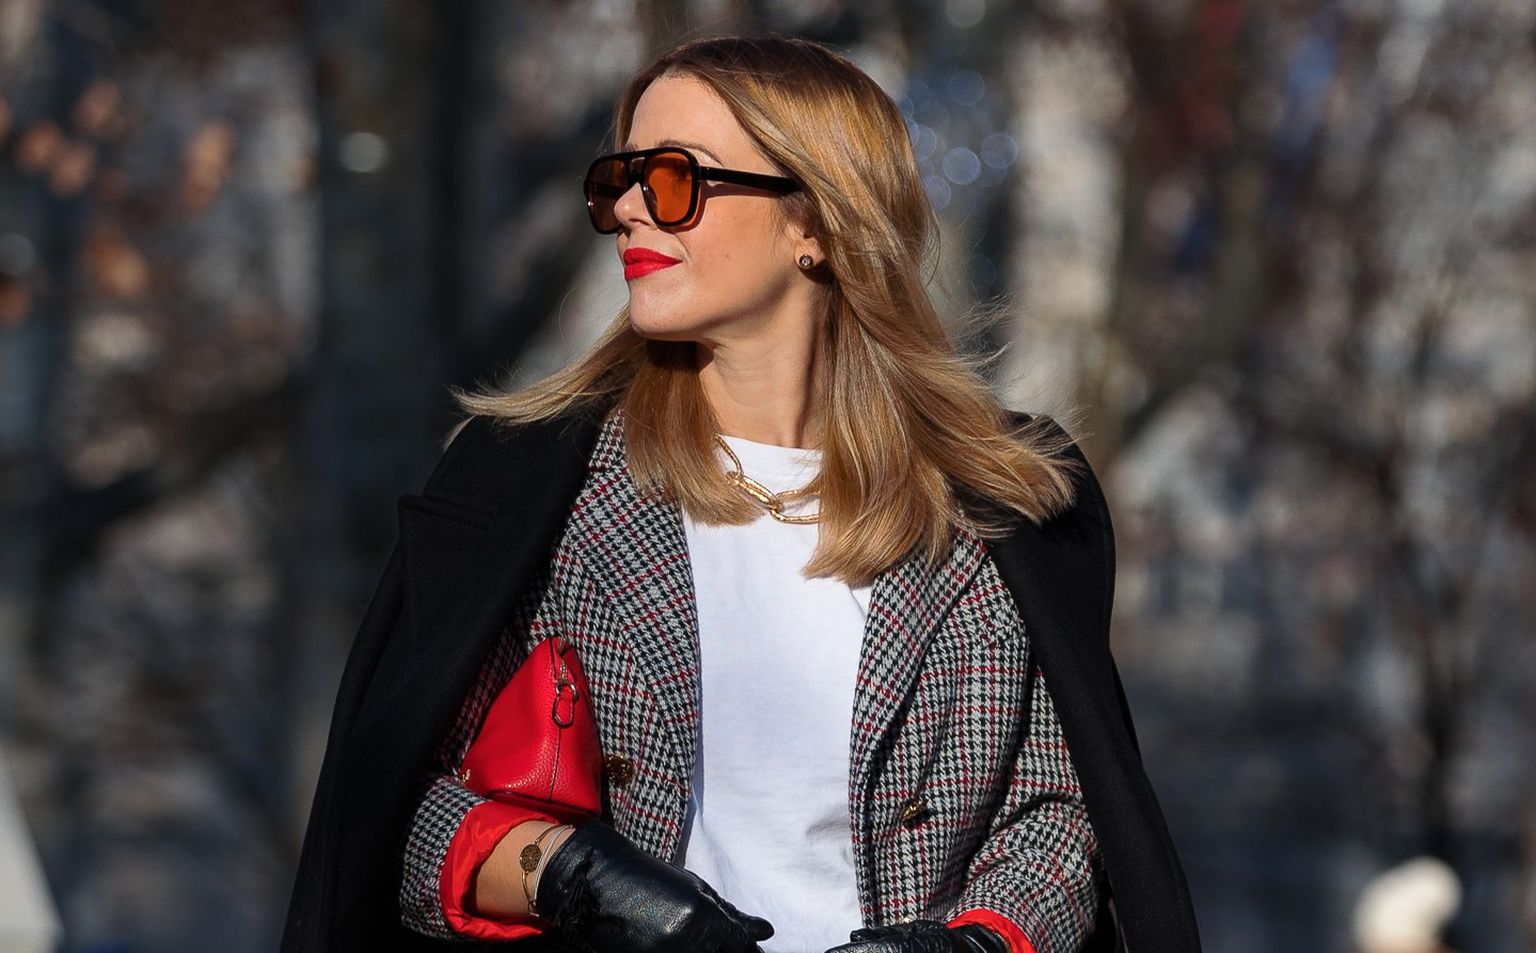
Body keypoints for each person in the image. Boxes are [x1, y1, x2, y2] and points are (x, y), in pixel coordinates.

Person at [280, 33, 1201, 953]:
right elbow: (398, 813)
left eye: (673, 179)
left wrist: (973, 943)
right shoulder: (533, 484)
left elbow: (1059, 820)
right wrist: (571, 875)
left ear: (815, 224)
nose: (630, 210)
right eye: (619, 180)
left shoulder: (1004, 505)